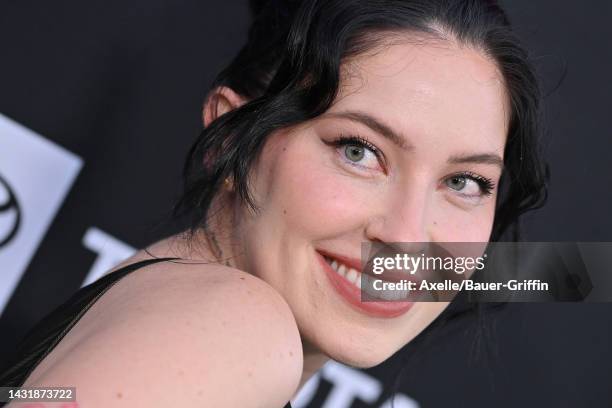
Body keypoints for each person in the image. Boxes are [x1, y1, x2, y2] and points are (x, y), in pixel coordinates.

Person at [0, 0, 547, 407]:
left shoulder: (172, 300)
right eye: (358, 151)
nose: (405, 236)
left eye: (466, 182)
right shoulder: (234, 325)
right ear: (230, 138)